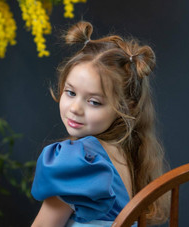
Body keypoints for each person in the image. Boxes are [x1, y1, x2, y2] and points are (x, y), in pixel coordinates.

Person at [31, 21, 169, 227]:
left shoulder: (79, 162)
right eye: (71, 92)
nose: (75, 108)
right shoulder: (123, 150)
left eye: (94, 102)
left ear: (126, 108)